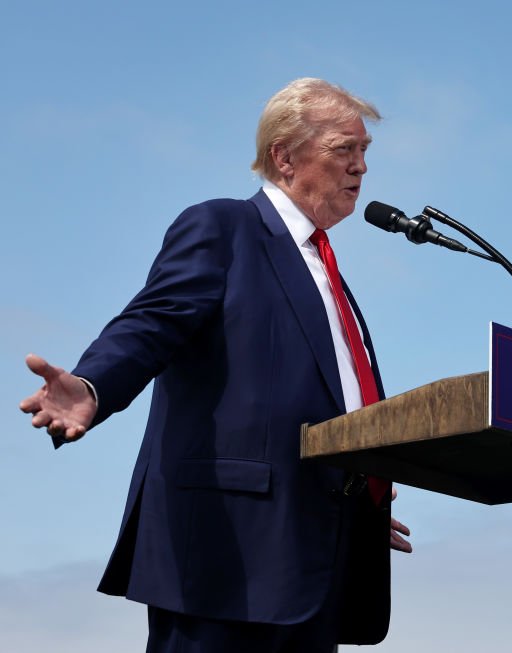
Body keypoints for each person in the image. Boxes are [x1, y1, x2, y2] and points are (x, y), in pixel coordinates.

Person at [19, 78, 412, 652]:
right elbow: (153, 322)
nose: (360, 167)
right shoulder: (224, 227)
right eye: (343, 150)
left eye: (364, 153)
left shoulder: (329, 276)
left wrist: (363, 495)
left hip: (321, 559)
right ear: (284, 155)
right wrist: (92, 385)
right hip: (227, 559)